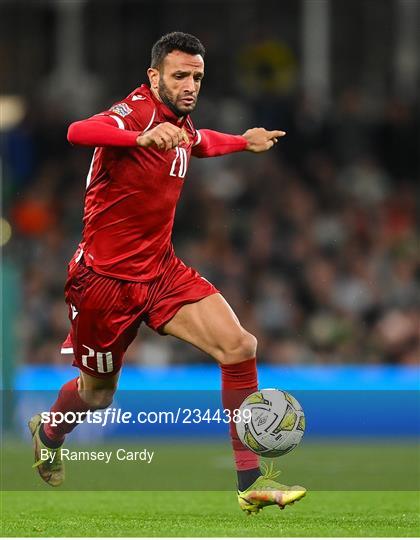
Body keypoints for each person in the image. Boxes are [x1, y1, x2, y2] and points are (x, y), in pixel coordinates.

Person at [29, 31, 305, 514]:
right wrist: (139, 136)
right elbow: (77, 130)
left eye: (197, 76)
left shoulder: (180, 121)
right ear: (154, 76)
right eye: (180, 75)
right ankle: (50, 430)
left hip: (161, 270)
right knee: (96, 397)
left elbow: (197, 143)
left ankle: (250, 483)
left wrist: (243, 141)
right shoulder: (133, 113)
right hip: (104, 283)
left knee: (239, 345)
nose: (190, 84)